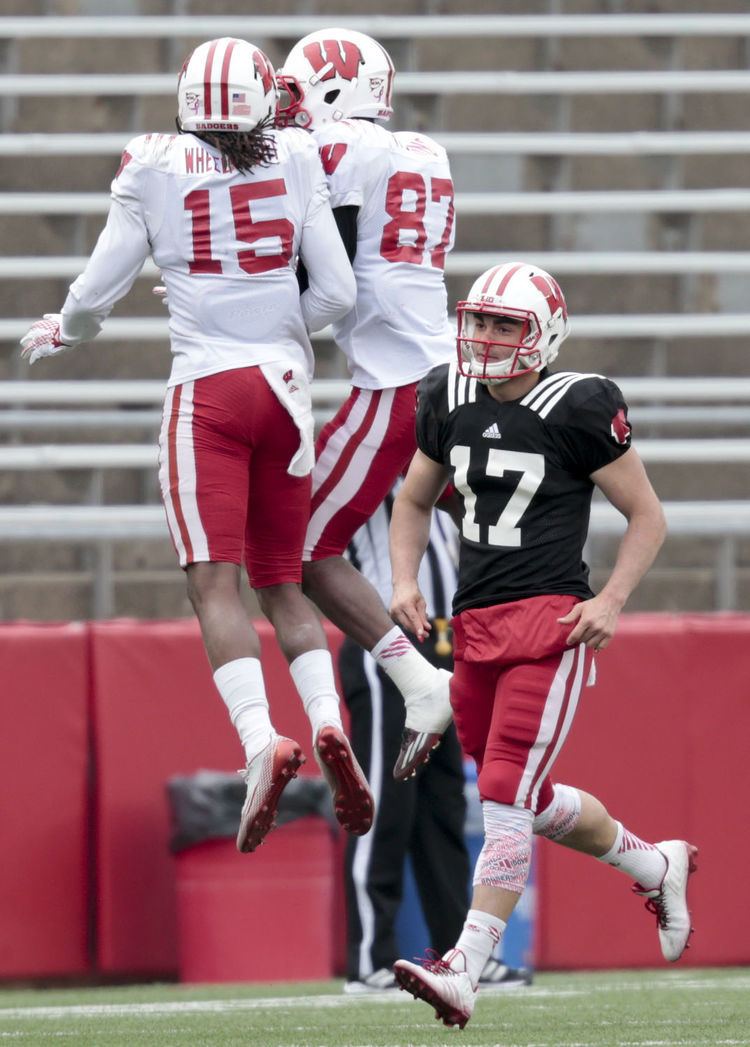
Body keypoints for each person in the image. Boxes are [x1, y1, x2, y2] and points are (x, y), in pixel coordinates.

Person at [19, 37, 374, 854]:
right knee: (283, 580)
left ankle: (261, 745)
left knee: (215, 586)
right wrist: (285, 333)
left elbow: (98, 285)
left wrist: (67, 331)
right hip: (287, 393)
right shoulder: (292, 154)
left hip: (207, 392)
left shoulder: (150, 164)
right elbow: (340, 290)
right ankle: (326, 719)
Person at [388, 262, 698, 1028]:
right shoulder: (446, 395)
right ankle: (656, 863)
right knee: (524, 794)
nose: (488, 338)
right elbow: (414, 496)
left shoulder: (580, 404)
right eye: (481, 321)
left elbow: (648, 515)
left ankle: (465, 965)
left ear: (544, 336)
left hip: (551, 623)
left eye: (506, 326)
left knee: (501, 789)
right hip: (475, 625)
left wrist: (611, 599)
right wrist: (402, 579)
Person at [276, 29, 457, 780]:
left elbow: (335, 271)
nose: (288, 110)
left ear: (331, 88)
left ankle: (424, 684)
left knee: (300, 552)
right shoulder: (427, 151)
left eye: (296, 93)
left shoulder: (344, 147)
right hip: (450, 369)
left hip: (395, 386)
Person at [340, 482, 532, 993]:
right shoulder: (370, 460)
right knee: (383, 804)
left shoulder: (446, 462)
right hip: (383, 643)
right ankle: (369, 956)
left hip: (446, 646)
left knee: (443, 809)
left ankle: (459, 955)